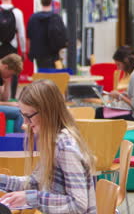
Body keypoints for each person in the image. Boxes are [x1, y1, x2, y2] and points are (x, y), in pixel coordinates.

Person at [0, 79, 96, 213]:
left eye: (29, 116)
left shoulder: (66, 147)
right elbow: (35, 183)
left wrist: (32, 198)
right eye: (23, 116)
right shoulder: (52, 141)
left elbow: (78, 205)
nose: (26, 122)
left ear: (47, 112)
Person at [27, 0, 67, 69]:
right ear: (51, 2)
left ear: (41, 2)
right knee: (54, 77)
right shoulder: (56, 18)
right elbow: (63, 36)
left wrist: (29, 53)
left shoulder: (33, 18)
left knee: (42, 75)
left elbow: (28, 38)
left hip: (39, 54)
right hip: (53, 54)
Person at [0, 0, 26, 99]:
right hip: (12, 45)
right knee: (13, 70)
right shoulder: (17, 12)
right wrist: (24, 50)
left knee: (3, 70)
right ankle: (13, 97)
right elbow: (21, 34)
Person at [0, 54, 24, 132]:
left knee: (22, 109)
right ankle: (19, 141)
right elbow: (5, 101)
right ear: (5, 67)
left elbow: (4, 98)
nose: (10, 76)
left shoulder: (2, 75)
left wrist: (6, 82)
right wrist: (10, 104)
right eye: (11, 74)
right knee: (20, 113)